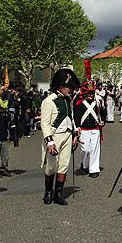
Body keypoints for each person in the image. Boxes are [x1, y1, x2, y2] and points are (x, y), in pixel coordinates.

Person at [40, 68, 80, 205]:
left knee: (63, 166)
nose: (71, 90)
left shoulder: (68, 100)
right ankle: (48, 192)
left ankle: (58, 194)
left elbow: (71, 118)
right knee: (51, 166)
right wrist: (49, 142)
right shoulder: (48, 101)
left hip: (67, 136)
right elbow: (44, 124)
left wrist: (75, 134)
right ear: (61, 87)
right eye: (69, 87)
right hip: (54, 136)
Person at [75, 81, 103, 178]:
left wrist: (103, 121)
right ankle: (84, 164)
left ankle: (94, 169)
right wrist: (77, 127)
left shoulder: (98, 103)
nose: (91, 95)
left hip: (95, 129)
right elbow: (77, 116)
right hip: (83, 130)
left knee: (94, 149)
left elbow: (103, 113)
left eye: (92, 93)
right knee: (85, 150)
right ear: (85, 93)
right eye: (89, 93)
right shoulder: (80, 103)